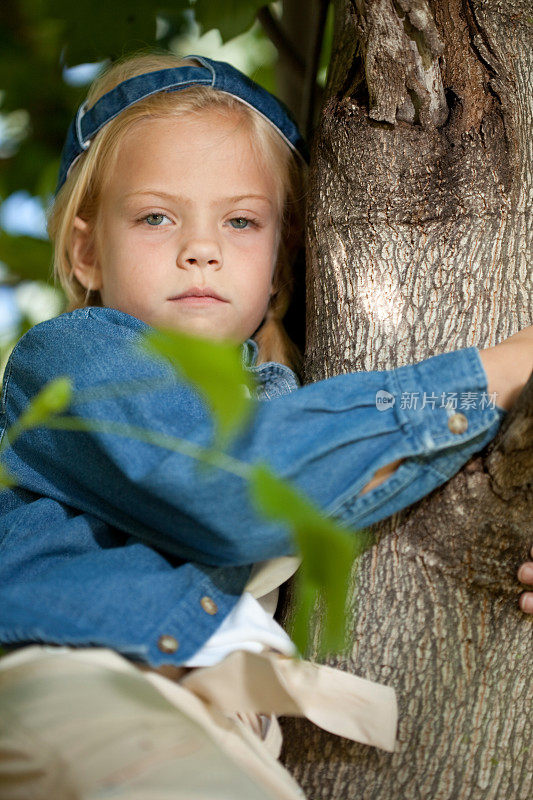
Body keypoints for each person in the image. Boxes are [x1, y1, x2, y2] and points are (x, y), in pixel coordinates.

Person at [0, 52, 532, 799]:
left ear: (279, 264)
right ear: (87, 250)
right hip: (81, 691)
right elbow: (219, 486)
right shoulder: (73, 360)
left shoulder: (297, 409)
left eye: (241, 220)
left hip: (206, 735)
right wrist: (492, 375)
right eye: (155, 216)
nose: (200, 248)